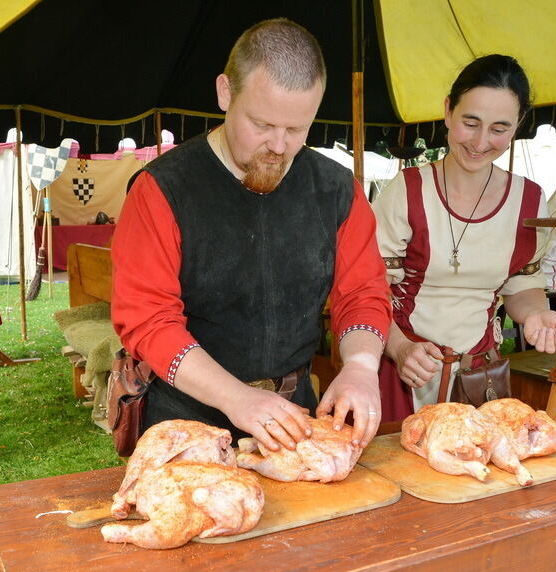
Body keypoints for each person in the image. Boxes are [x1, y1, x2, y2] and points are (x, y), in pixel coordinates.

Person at [111, 18, 391, 449]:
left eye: (297, 129)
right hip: (188, 418)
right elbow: (148, 320)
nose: (279, 146)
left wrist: (360, 365)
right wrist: (235, 397)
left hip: (296, 416)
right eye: (261, 124)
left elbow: (362, 293)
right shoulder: (162, 190)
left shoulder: (337, 190)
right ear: (226, 92)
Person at [373, 54, 556, 421]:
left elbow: (521, 286)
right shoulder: (408, 191)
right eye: (470, 122)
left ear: (518, 125)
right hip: (402, 373)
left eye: (499, 128)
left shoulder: (529, 200)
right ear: (448, 111)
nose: (480, 142)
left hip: (479, 380)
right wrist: (399, 348)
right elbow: (368, 290)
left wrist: (537, 314)